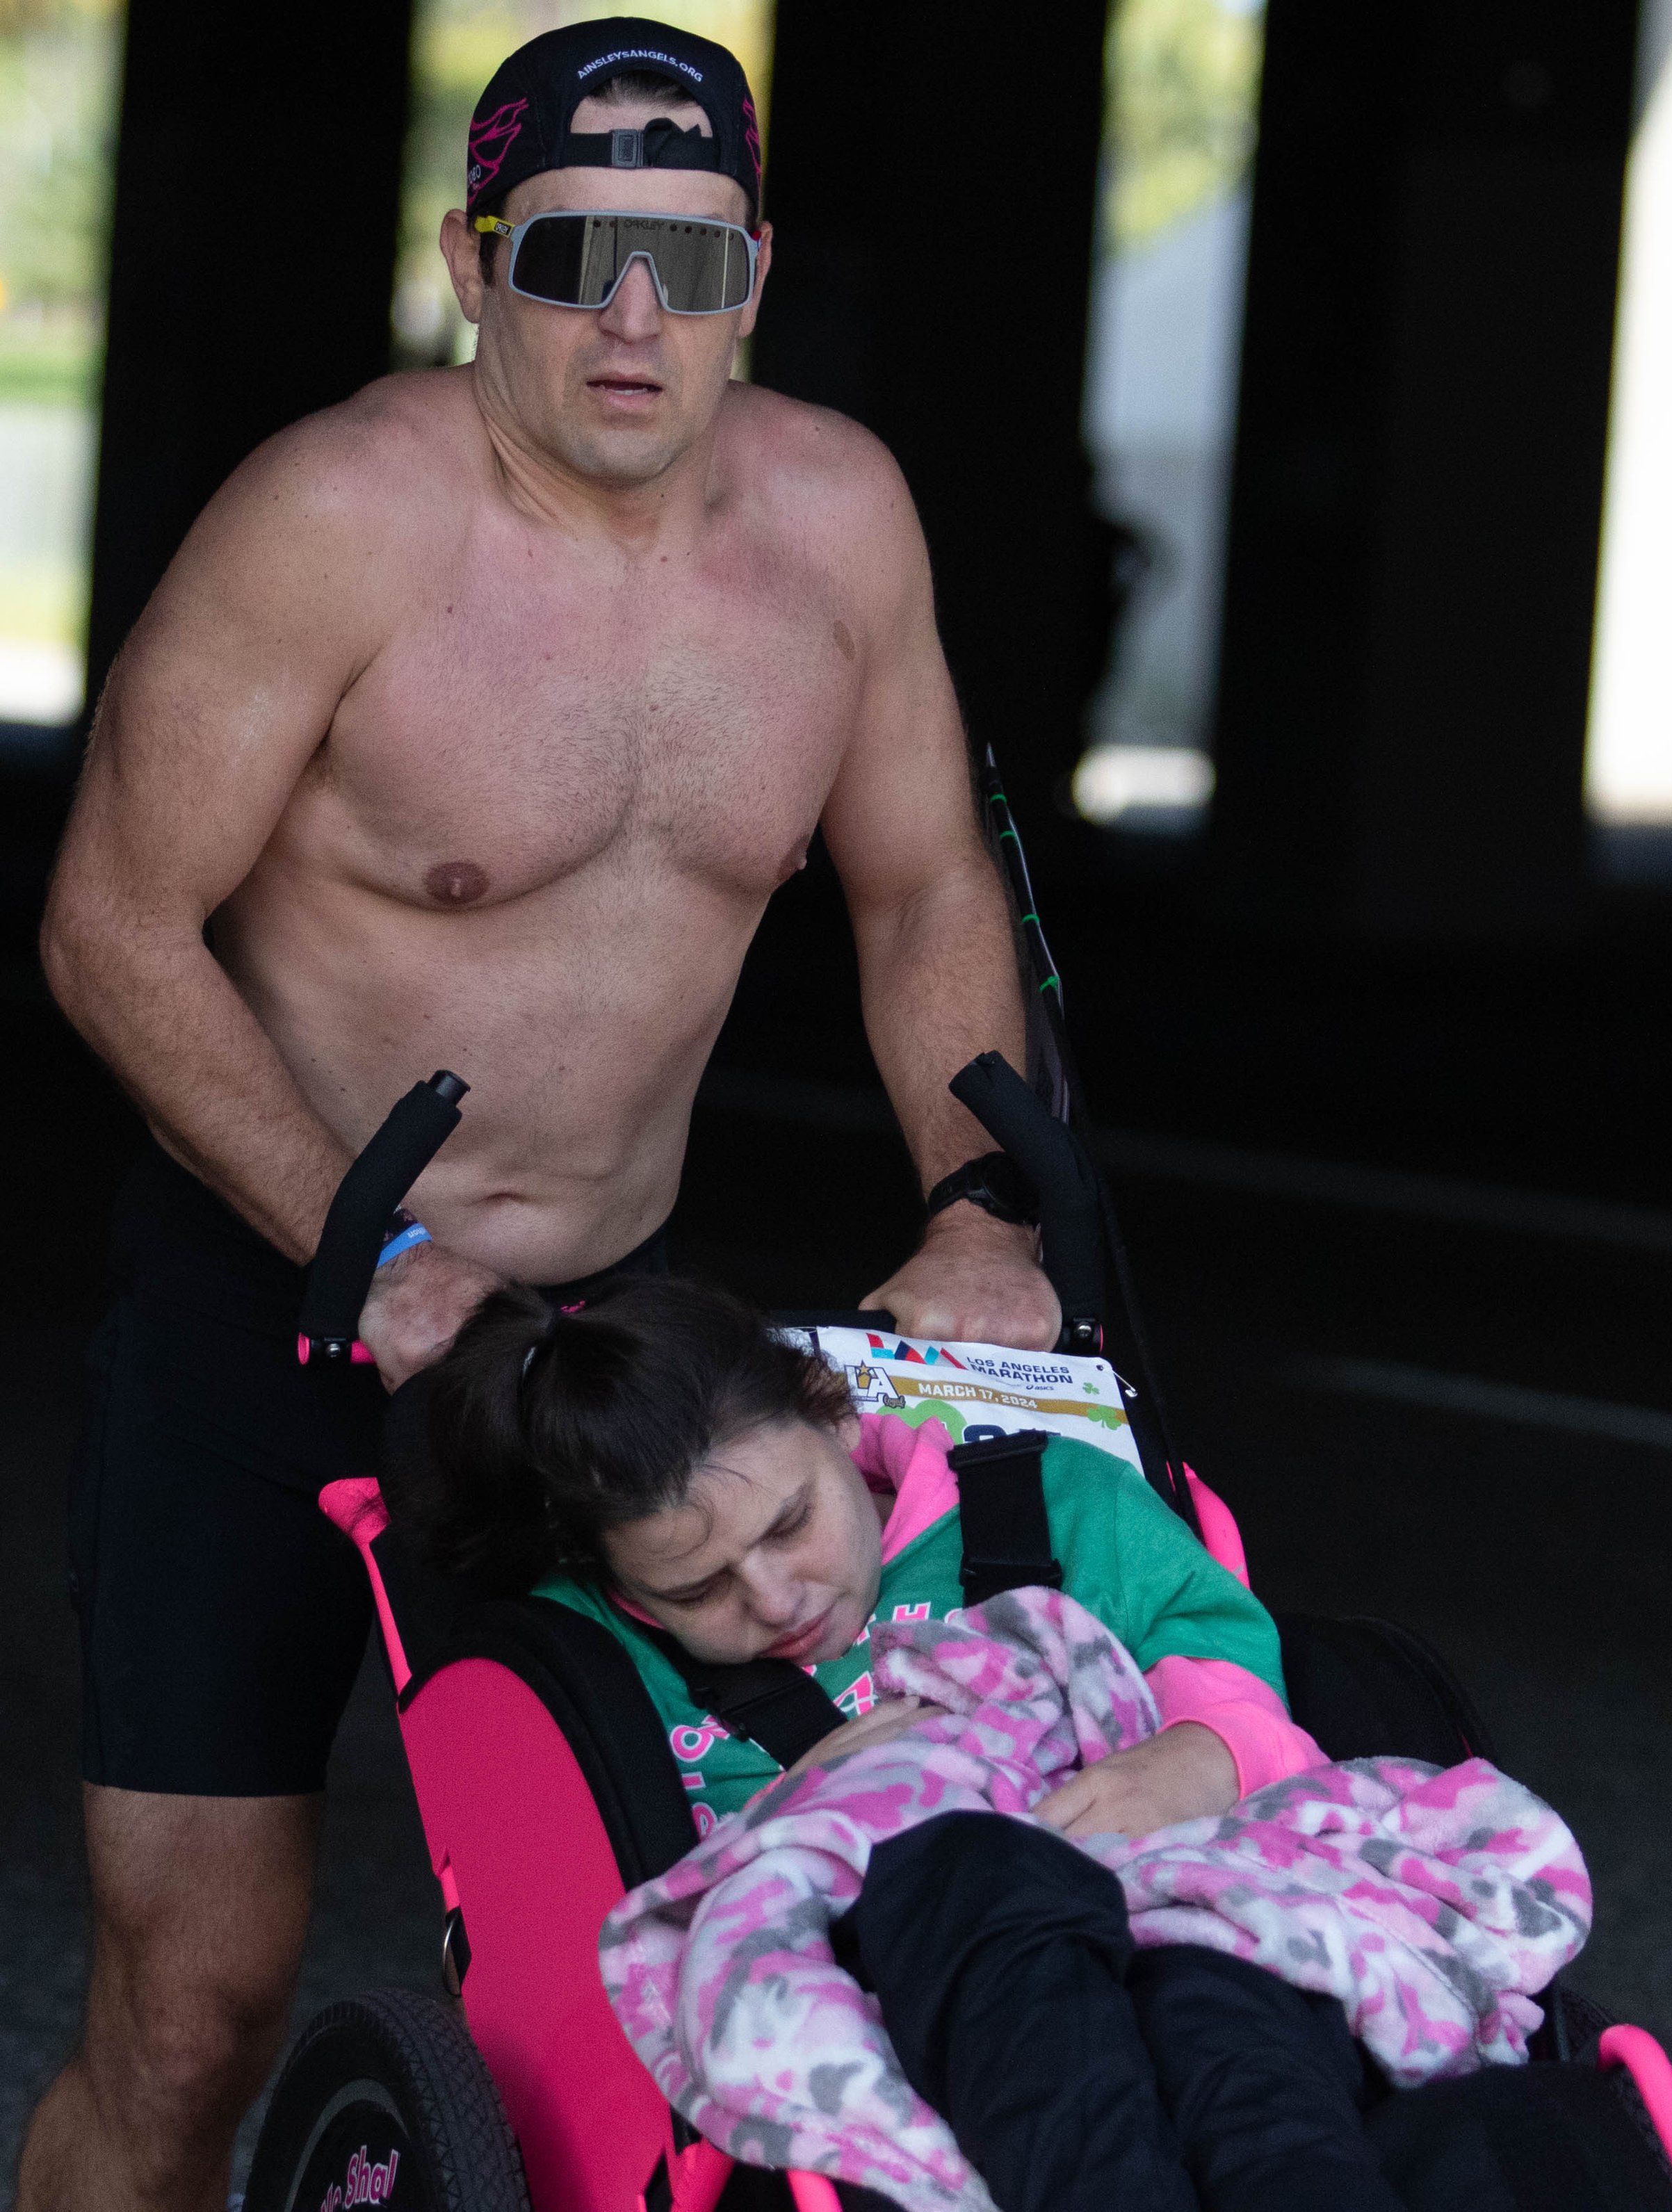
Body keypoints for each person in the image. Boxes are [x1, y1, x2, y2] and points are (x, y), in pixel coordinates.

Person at [23, 18, 1058, 2210]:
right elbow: (113, 918)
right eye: (573, 250)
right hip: (286, 1309)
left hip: (605, 1359)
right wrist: (372, 1250)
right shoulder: (339, 518)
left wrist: (981, 1197)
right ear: (471, 255)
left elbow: (924, 883)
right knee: (196, 1997)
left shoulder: (838, 523)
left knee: (708, 1982)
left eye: (685, 264)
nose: (628, 316)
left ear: (755, 274)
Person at [396, 1274, 1411, 2212]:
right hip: (900, 2009)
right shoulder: (591, 1659)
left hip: (1174, 1907)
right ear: (619, 1580)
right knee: (977, 1886)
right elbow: (629, 1929)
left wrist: (1198, 1754)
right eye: (699, 1589)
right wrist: (795, 1809)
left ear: (835, 1413)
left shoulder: (1052, 1505)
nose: (776, 1598)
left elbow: (1227, 1662)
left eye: (791, 1523)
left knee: (1231, 2034)